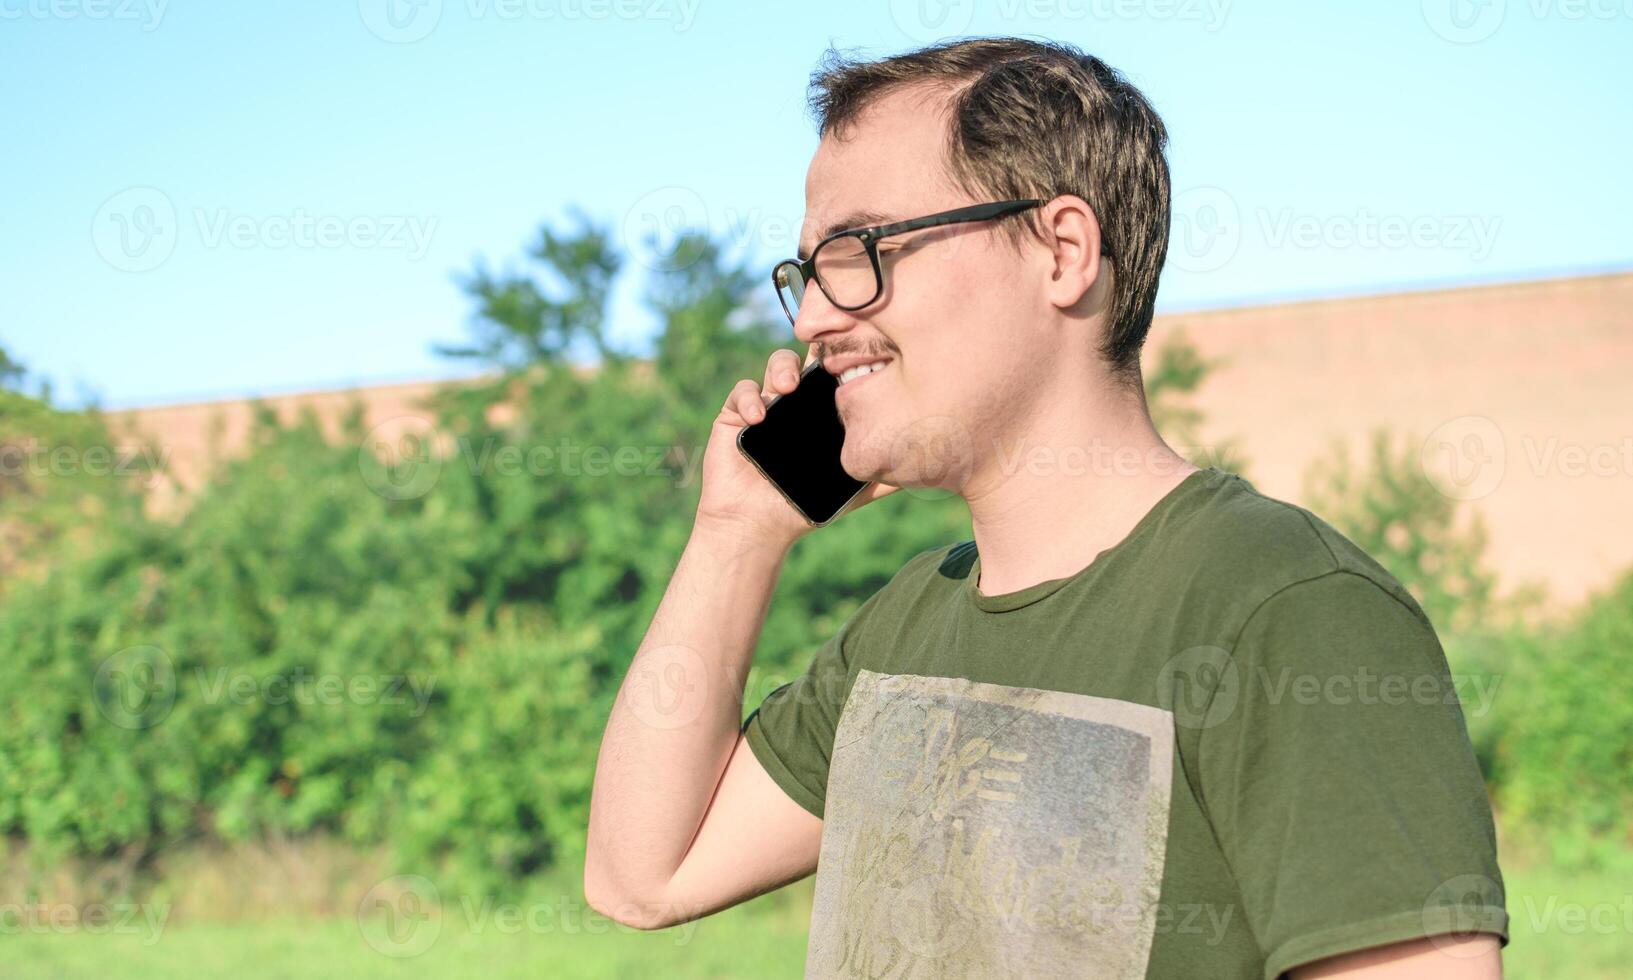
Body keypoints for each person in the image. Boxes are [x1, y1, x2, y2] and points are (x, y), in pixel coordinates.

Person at [585, 36, 1507, 979]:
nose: (815, 316)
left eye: (859, 250)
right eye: (807, 272)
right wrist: (736, 532)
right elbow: (641, 879)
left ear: (1062, 252)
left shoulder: (1288, 608)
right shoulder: (907, 625)